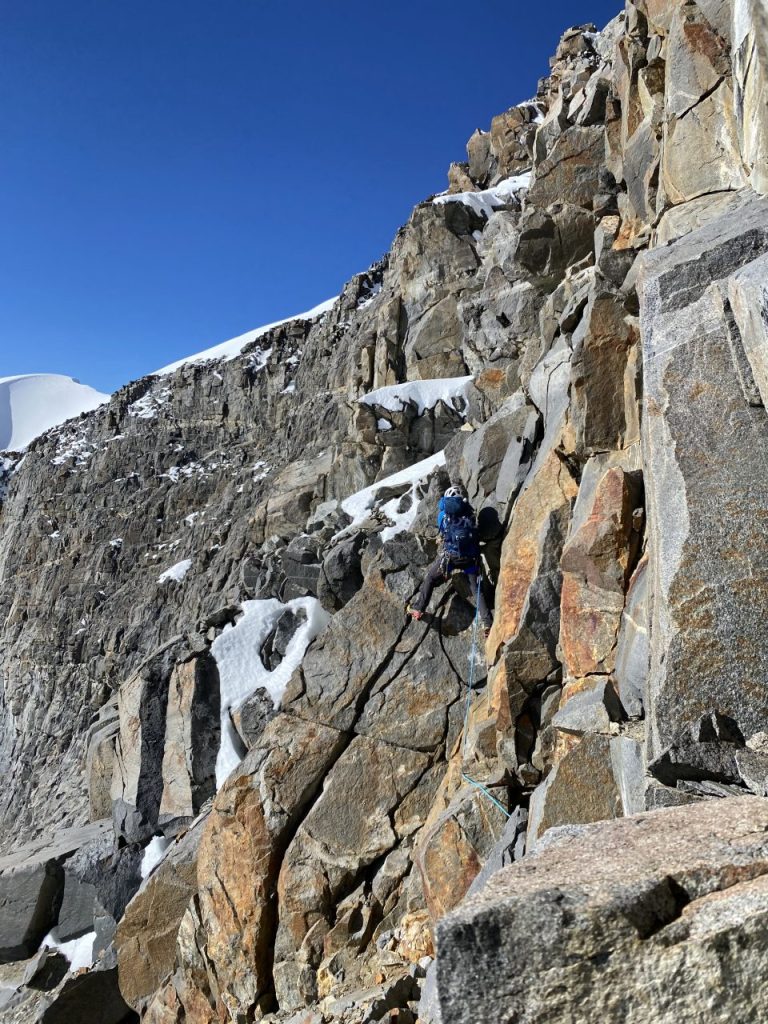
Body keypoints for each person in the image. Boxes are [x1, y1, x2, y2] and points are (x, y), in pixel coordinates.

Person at [408, 485, 493, 634]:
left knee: (430, 578)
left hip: (450, 558)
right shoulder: (470, 513)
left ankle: (418, 608)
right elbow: (475, 532)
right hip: (469, 559)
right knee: (476, 589)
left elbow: (442, 529)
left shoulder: (443, 515)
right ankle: (487, 622)